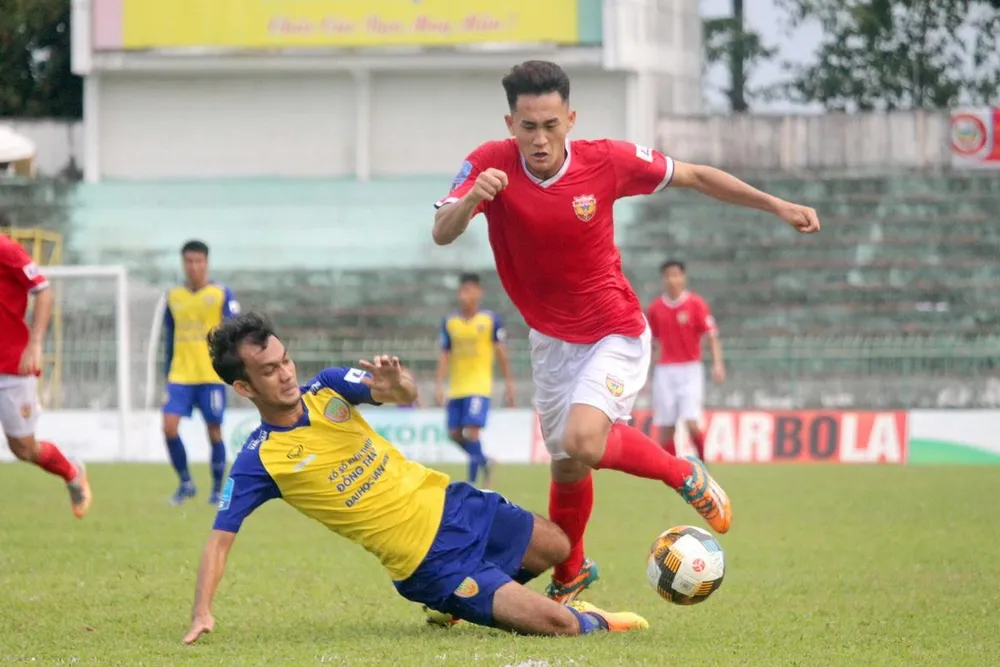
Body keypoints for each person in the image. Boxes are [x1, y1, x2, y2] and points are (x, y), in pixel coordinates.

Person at [431, 60, 820, 604]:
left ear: (570, 119)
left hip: (612, 329)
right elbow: (442, 231)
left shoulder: (607, 161)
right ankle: (571, 574)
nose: (539, 139)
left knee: (583, 441)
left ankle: (682, 471)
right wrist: (474, 197)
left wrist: (776, 204)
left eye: (550, 125)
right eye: (528, 127)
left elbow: (695, 175)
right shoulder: (488, 163)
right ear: (510, 123)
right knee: (567, 466)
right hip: (550, 342)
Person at [181, 312, 648, 645]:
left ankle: (459, 606)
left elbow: (403, 393)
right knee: (560, 625)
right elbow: (219, 541)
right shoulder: (259, 459)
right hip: (429, 563)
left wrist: (396, 383)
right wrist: (202, 611)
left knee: (558, 545)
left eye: (285, 360)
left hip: (454, 502)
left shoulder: (327, 387)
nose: (286, 374)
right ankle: (588, 620)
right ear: (244, 387)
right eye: (269, 370)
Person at [0, 233, 91, 517]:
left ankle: (72, 472)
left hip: (13, 366)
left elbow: (43, 290)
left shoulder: (6, 249)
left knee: (24, 448)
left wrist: (35, 343)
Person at [162, 240, 240, 506]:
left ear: (206, 263)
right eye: (189, 261)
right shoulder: (173, 296)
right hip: (180, 376)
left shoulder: (221, 294)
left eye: (198, 261)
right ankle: (186, 483)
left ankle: (217, 490)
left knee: (214, 431)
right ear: (183, 263)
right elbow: (169, 337)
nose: (193, 266)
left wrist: (233, 371)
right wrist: (166, 374)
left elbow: (234, 333)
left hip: (210, 376)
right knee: (168, 427)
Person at [434, 272, 515, 488]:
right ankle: (485, 461)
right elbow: (444, 355)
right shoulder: (450, 322)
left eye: (469, 290)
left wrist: (509, 383)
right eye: (462, 291)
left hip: (479, 386)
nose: (465, 295)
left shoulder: (490, 320)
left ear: (479, 293)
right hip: (456, 387)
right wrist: (439, 385)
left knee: (472, 432)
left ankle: (471, 482)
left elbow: (501, 353)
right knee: (454, 433)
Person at [647, 260, 724, 460]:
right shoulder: (655, 308)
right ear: (662, 279)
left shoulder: (696, 304)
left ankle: (703, 466)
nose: (672, 280)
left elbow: (711, 336)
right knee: (666, 427)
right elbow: (652, 344)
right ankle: (672, 472)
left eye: (675, 275)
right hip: (664, 371)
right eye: (667, 275)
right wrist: (647, 375)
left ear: (683, 277)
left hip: (690, 370)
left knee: (691, 422)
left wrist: (718, 364)